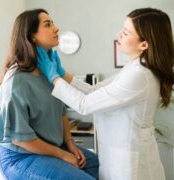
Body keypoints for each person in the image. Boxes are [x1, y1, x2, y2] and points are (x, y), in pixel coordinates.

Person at [37, 7, 174, 180]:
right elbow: (95, 90)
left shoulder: (139, 74)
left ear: (144, 44)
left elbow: (85, 105)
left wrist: (53, 76)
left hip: (132, 164)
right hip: (121, 155)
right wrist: (63, 74)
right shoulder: (135, 67)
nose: (119, 34)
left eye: (126, 32)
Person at [0, 9, 99, 180]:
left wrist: (69, 144)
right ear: (31, 36)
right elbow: (20, 139)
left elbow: (61, 110)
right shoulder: (16, 80)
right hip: (21, 155)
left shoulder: (49, 72)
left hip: (52, 146)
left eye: (53, 23)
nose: (56, 28)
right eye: (48, 25)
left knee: (97, 165)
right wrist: (63, 155)